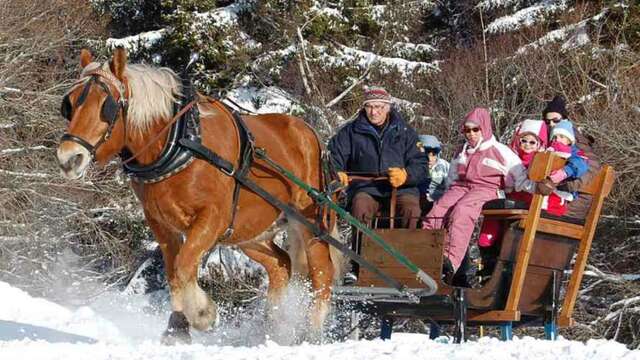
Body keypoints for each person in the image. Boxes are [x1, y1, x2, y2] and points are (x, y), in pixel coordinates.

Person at [422, 107, 538, 278]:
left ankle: (450, 261)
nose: (471, 134)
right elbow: (453, 175)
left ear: (484, 128)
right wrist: (448, 193)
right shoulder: (461, 151)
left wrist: (536, 187)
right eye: (467, 130)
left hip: (487, 188)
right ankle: (424, 253)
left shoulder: (500, 151)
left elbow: (520, 176)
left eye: (475, 129)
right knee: (437, 211)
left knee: (463, 211)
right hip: (460, 187)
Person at [328, 86, 428, 229]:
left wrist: (406, 176)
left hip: (402, 189)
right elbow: (333, 156)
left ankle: (408, 250)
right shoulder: (350, 132)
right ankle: (360, 249)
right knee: (360, 208)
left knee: (411, 210)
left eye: (378, 107)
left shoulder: (406, 132)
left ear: (388, 107)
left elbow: (421, 164)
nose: (374, 112)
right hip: (366, 189)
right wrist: (337, 173)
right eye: (369, 107)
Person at [478, 119, 569, 250]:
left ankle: (503, 249)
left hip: (530, 197)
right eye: (524, 141)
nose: (527, 145)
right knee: (494, 208)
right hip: (511, 195)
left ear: (539, 144)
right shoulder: (511, 156)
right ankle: (488, 246)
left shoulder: (541, 159)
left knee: (509, 215)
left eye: (532, 142)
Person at [540, 95, 601, 218]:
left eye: (555, 120)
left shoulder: (572, 138)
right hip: (554, 194)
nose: (551, 124)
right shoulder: (548, 138)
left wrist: (562, 180)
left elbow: (592, 167)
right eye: (547, 121)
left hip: (574, 202)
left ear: (564, 119)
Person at [417, 135, 450, 216]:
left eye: (433, 154)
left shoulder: (444, 166)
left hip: (439, 201)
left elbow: (453, 185)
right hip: (419, 200)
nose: (430, 159)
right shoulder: (415, 166)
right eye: (426, 154)